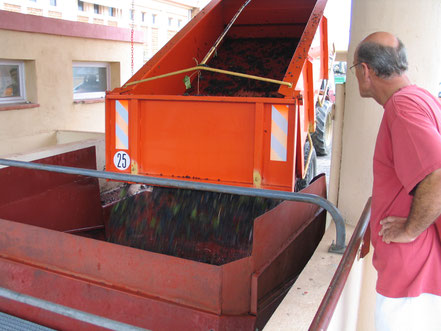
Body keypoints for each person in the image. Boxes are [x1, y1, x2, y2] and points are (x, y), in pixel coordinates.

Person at [352, 31, 441, 330]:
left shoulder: (402, 108)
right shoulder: (423, 98)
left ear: (365, 71)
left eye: (354, 70)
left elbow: (437, 177)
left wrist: (409, 229)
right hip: (417, 275)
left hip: (412, 281)